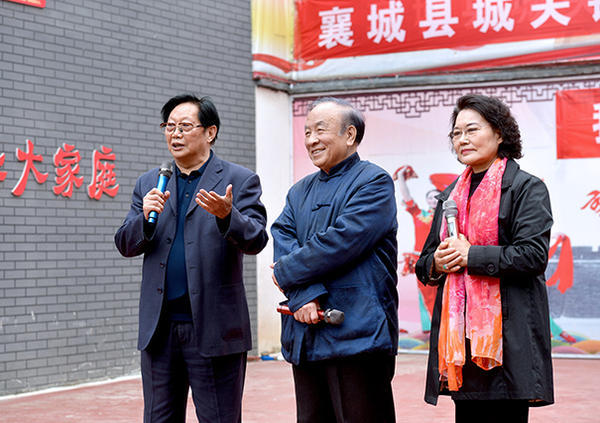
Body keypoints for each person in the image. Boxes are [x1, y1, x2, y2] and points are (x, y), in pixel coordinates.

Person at [114, 94, 268, 423]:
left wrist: (228, 216)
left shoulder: (238, 180)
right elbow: (125, 244)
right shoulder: (150, 182)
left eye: (184, 126)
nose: (175, 134)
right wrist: (144, 219)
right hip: (159, 330)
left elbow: (256, 239)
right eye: (169, 126)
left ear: (210, 132)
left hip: (214, 329)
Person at [415, 94, 554, 423]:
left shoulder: (525, 188)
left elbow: (533, 256)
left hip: (509, 340)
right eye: (456, 133)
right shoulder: (451, 195)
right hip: (462, 344)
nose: (462, 139)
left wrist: (470, 255)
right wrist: (439, 262)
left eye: (472, 130)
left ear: (499, 133)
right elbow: (424, 264)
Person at [271, 97, 399, 423]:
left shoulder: (374, 182)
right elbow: (282, 237)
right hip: (306, 330)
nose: (311, 140)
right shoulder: (298, 192)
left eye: (320, 130)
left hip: (358, 333)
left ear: (350, 135)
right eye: (307, 132)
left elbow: (342, 242)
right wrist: (304, 295)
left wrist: (284, 272)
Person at [393, 165, 441, 332]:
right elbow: (407, 197)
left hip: (441, 259)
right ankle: (431, 327)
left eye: (437, 197)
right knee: (425, 292)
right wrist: (401, 178)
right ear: (426, 200)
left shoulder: (447, 216)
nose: (433, 200)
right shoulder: (420, 215)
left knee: (443, 294)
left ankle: (442, 327)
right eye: (430, 197)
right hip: (422, 259)